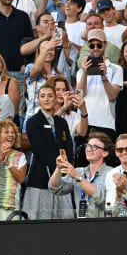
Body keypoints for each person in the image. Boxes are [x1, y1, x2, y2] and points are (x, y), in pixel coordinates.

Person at [23, 82, 75, 219]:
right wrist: (58, 167)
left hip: (62, 179)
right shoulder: (33, 122)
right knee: (41, 222)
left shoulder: (61, 122)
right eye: (43, 96)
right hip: (41, 180)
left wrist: (65, 169)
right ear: (38, 99)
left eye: (50, 96)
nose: (46, 99)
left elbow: (69, 147)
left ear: (55, 98)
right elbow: (41, 150)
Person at [49, 132, 114, 218]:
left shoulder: (111, 173)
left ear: (105, 153)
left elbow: (100, 197)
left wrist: (77, 177)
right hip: (81, 223)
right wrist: (59, 168)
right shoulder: (79, 171)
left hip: (102, 224)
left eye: (94, 147)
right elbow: (55, 188)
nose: (89, 149)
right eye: (88, 146)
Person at [76, 29, 123, 139]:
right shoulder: (81, 71)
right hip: (85, 123)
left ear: (105, 45)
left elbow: (112, 95)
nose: (95, 48)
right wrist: (85, 73)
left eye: (99, 45)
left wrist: (103, 76)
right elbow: (79, 95)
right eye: (92, 46)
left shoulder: (116, 69)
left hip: (106, 123)